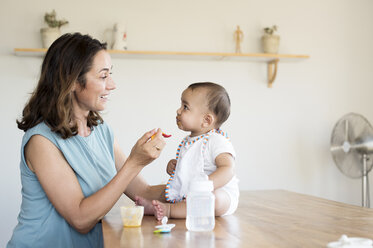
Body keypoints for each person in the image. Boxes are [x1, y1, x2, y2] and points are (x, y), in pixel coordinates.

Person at [7, 33, 167, 248]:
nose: (112, 85)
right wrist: (135, 162)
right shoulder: (41, 141)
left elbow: (143, 192)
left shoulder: (101, 131)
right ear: (72, 81)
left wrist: (192, 183)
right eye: (103, 76)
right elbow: (80, 219)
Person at [136, 82, 239, 220]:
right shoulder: (189, 141)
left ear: (206, 120)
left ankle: (169, 210)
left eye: (185, 107)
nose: (178, 111)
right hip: (193, 194)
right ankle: (153, 207)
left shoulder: (216, 140)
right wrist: (176, 167)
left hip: (222, 196)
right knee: (173, 191)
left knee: (214, 198)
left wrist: (206, 186)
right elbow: (192, 166)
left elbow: (228, 169)